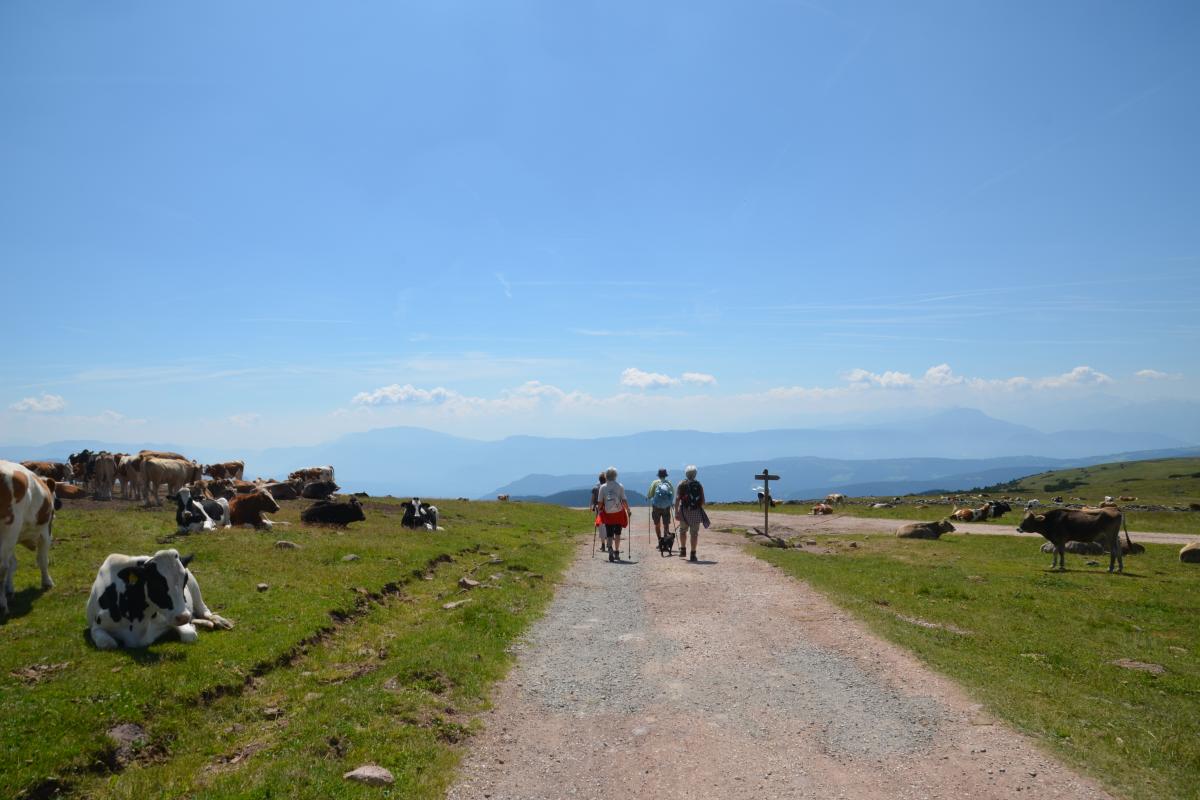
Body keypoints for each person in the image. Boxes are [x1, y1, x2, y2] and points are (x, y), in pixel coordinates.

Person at [595, 466, 630, 562]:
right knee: (617, 533)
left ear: (606, 476)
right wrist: (628, 510)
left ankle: (610, 549)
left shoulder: (602, 487)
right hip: (618, 512)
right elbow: (624, 500)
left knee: (609, 533)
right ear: (615, 476)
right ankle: (617, 551)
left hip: (608, 513)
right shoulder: (620, 486)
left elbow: (600, 502)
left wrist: (599, 510)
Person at [674, 464, 707, 562]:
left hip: (684, 511)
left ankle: (683, 549)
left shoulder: (681, 484)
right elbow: (703, 501)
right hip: (696, 511)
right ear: (695, 474)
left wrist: (676, 512)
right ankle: (693, 554)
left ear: (686, 473)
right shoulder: (699, 484)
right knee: (694, 533)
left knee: (682, 531)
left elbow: (677, 499)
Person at [646, 468, 674, 546]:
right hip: (666, 506)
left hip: (656, 507)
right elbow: (672, 494)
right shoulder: (669, 483)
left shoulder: (655, 483)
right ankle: (665, 540)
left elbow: (650, 494)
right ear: (665, 475)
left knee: (657, 524)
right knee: (666, 524)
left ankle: (659, 541)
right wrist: (671, 503)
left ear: (658, 475)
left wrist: (648, 497)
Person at [590, 472, 608, 551]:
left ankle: (603, 544)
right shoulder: (608, 487)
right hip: (608, 509)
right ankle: (608, 542)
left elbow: (593, 499)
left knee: (601, 527)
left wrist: (591, 506)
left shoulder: (595, 488)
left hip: (599, 509)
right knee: (608, 525)